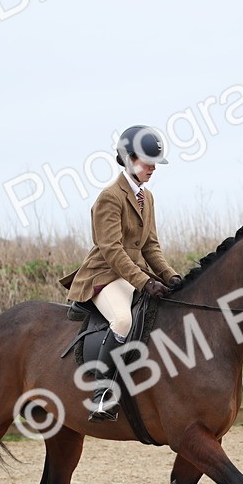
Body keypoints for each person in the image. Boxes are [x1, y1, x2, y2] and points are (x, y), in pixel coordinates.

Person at [60, 125, 183, 422]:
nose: (152, 168)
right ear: (128, 160)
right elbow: (112, 250)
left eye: (155, 163)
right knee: (123, 319)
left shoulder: (147, 198)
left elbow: (151, 246)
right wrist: (144, 281)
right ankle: (101, 394)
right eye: (146, 162)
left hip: (131, 274)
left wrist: (171, 277)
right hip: (103, 276)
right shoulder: (110, 197)